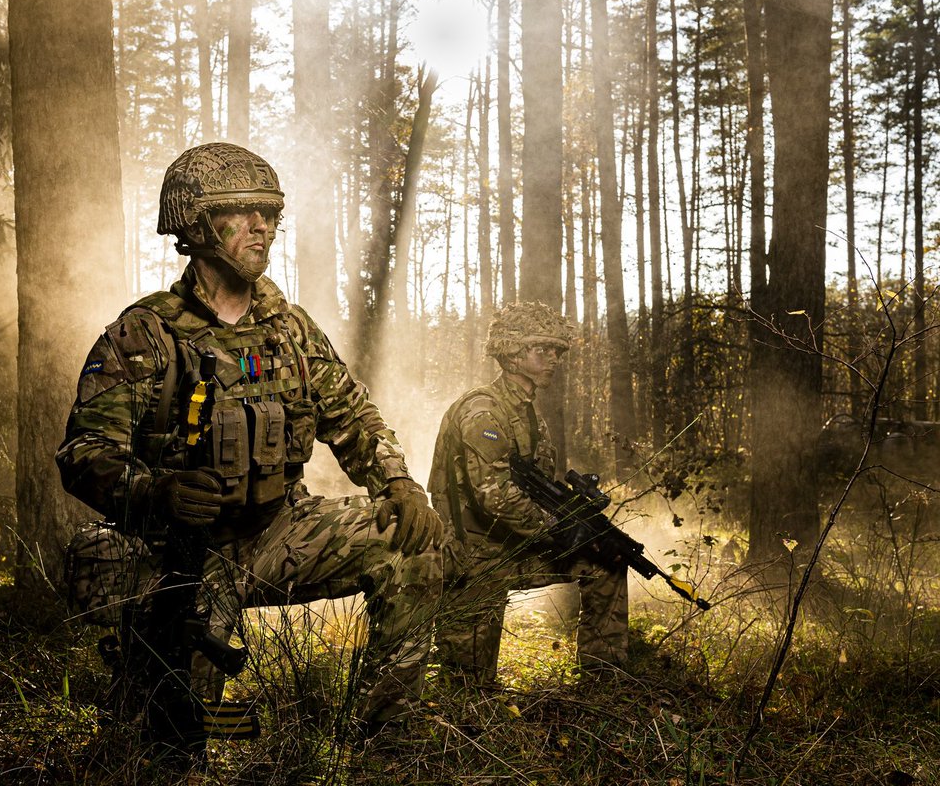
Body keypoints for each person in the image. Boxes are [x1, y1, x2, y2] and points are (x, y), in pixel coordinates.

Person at [57, 142, 442, 741]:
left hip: (280, 528)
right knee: (171, 729)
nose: (263, 225)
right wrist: (155, 492)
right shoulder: (147, 333)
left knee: (408, 542)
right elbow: (85, 453)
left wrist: (397, 480)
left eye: (270, 212)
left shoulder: (289, 329)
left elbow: (352, 415)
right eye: (242, 210)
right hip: (186, 551)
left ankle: (388, 741)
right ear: (197, 223)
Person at [428, 301, 628, 686]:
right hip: (472, 559)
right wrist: (559, 529)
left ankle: (605, 683)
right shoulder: (483, 411)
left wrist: (575, 518)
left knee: (607, 561)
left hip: (511, 548)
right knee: (467, 688)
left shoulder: (530, 414)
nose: (553, 359)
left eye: (557, 351)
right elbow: (494, 495)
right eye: (542, 350)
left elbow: (537, 487)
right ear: (513, 355)